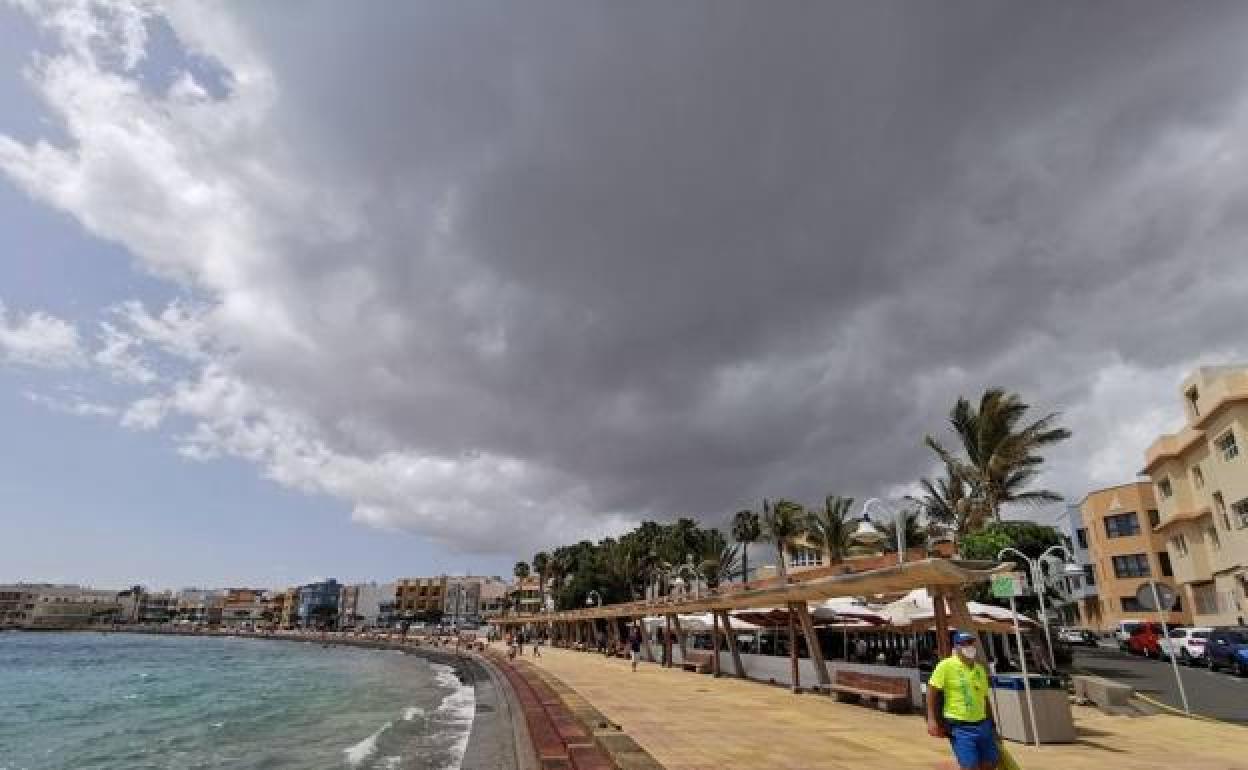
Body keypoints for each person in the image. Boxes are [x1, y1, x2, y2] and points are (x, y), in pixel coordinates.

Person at [926, 632, 998, 770]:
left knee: (991, 762)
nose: (968, 647)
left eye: (970, 643)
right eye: (964, 644)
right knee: (970, 765)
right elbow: (931, 690)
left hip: (982, 724)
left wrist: (992, 724)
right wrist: (931, 719)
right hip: (959, 726)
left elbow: (984, 698)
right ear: (956, 647)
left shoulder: (980, 670)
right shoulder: (946, 665)